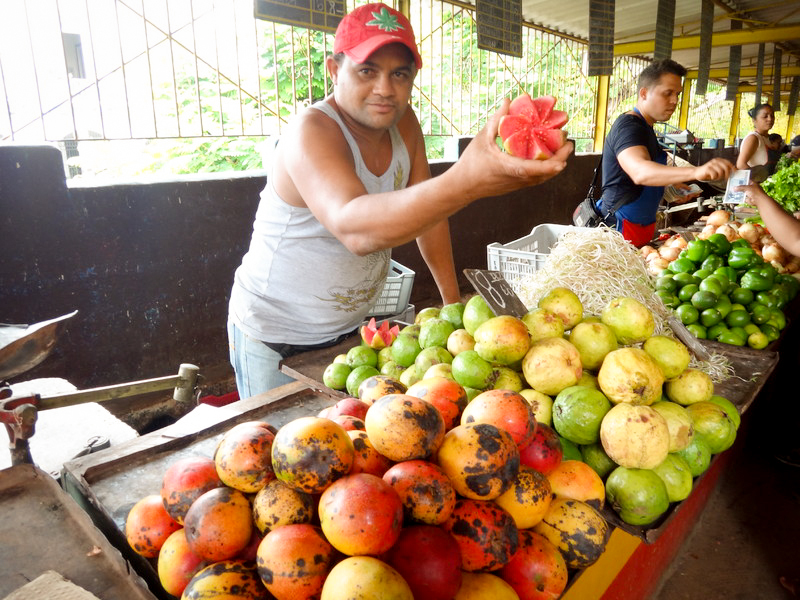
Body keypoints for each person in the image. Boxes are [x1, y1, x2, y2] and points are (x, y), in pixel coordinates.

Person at [227, 2, 573, 398]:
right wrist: (468, 180)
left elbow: (431, 219)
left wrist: (451, 306)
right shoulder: (312, 130)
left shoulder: (405, 124)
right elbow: (354, 228)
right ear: (333, 69)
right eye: (367, 71)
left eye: (400, 74)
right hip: (275, 337)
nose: (385, 89)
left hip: (351, 334)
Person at [598, 59, 734, 247]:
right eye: (667, 93)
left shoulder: (646, 128)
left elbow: (640, 175)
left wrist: (673, 186)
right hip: (618, 227)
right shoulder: (629, 127)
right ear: (644, 93)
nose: (674, 101)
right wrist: (696, 172)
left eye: (677, 94)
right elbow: (640, 172)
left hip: (638, 224)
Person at [736, 103, 775, 181]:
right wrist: (755, 181)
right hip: (757, 185)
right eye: (765, 116)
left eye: (772, 116)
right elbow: (740, 164)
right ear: (754, 120)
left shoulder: (766, 138)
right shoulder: (753, 138)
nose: (770, 119)